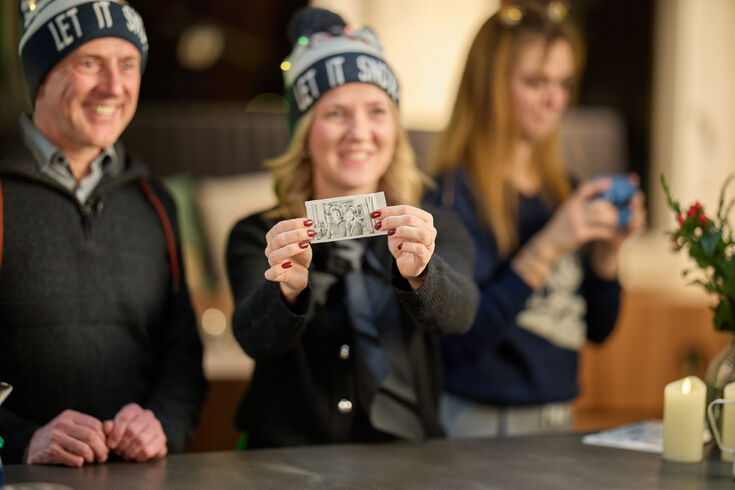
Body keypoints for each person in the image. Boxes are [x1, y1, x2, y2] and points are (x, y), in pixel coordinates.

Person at [226, 7, 479, 449]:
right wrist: (286, 293)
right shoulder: (259, 234)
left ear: (396, 131)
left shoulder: (432, 227)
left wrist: (423, 273)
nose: (359, 132)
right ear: (305, 135)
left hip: (407, 457)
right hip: (284, 458)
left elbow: (460, 315)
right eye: (336, 114)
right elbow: (254, 339)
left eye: (377, 111)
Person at [0, 0, 206, 466]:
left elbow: (183, 360)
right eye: (90, 63)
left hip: (137, 478)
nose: (114, 87)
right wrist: (22, 441)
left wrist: (161, 424)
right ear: (41, 76)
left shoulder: (154, 200)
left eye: (128, 64)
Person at [428, 1, 646, 437]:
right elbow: (456, 344)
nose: (555, 101)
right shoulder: (449, 197)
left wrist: (607, 253)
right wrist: (549, 245)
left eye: (564, 83)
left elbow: (597, 330)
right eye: (535, 82)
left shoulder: (563, 190)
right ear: (488, 85)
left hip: (560, 418)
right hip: (478, 424)